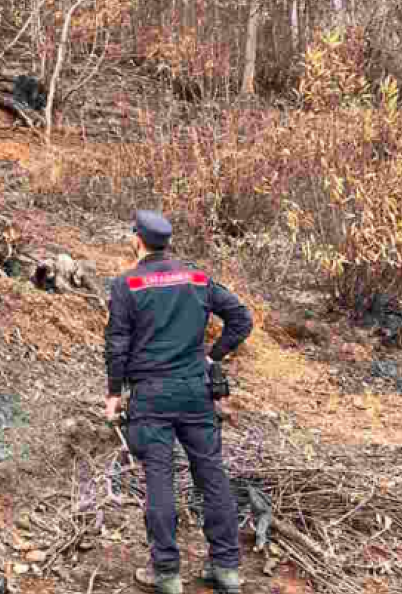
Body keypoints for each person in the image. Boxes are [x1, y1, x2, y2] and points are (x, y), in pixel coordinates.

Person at [104, 210, 254, 594]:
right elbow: (240, 318)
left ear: (137, 239)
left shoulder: (127, 284)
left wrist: (112, 394)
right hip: (195, 393)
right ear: (167, 241)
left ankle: (167, 574)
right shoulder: (197, 277)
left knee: (159, 479)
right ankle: (226, 569)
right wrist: (213, 356)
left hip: (151, 395)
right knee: (212, 475)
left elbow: (117, 343)